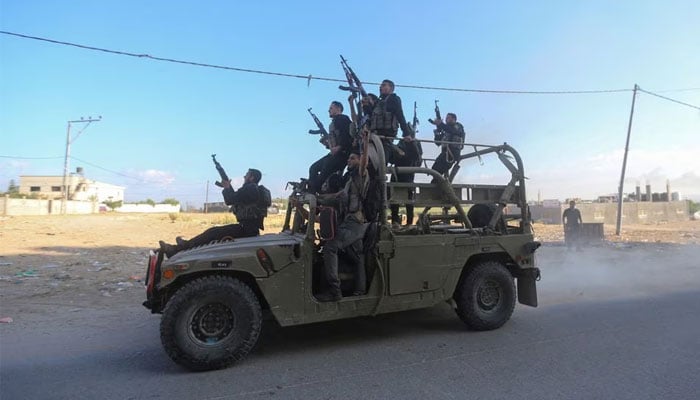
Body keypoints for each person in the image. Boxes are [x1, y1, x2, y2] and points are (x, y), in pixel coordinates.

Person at [159, 169, 264, 258]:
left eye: (247, 175)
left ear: (252, 178)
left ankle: (178, 249)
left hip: (247, 230)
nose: (244, 176)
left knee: (212, 233)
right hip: (248, 228)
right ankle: (182, 247)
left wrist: (227, 187)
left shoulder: (250, 188)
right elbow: (235, 197)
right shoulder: (252, 189)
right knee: (213, 233)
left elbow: (230, 199)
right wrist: (227, 187)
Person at [317, 152, 369, 302]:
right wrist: (317, 198)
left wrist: (365, 142)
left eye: (353, 158)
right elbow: (335, 196)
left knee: (330, 248)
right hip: (351, 222)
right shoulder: (349, 181)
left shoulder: (361, 176)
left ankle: (335, 291)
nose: (348, 160)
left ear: (360, 160)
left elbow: (364, 164)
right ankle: (360, 290)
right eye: (348, 158)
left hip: (355, 222)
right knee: (358, 257)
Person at [308, 101, 353, 193]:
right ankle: (313, 191)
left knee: (321, 176)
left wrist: (339, 147)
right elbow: (335, 143)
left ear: (338, 109)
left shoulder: (342, 119)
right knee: (314, 168)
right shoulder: (334, 123)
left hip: (342, 155)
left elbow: (348, 137)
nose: (329, 110)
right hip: (335, 154)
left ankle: (315, 193)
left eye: (331, 108)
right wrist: (328, 144)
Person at [371, 80, 411, 164]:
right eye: (381, 85)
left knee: (381, 161)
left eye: (384, 85)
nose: (380, 87)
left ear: (391, 88)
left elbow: (400, 115)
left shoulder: (394, 99)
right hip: (375, 135)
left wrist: (406, 133)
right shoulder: (378, 102)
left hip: (387, 136)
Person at [390, 133, 421, 226]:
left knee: (409, 202)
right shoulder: (400, 143)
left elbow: (417, 156)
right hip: (397, 175)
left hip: (408, 175)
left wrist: (411, 144)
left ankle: (409, 224)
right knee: (394, 202)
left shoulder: (414, 144)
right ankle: (395, 222)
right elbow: (392, 159)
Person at [431, 113, 465, 177]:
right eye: (446, 118)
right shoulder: (446, 130)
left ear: (454, 119)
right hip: (445, 153)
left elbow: (453, 131)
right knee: (434, 169)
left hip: (452, 154)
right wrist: (438, 129)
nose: (446, 119)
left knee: (438, 170)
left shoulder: (458, 126)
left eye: (448, 118)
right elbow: (437, 142)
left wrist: (441, 124)